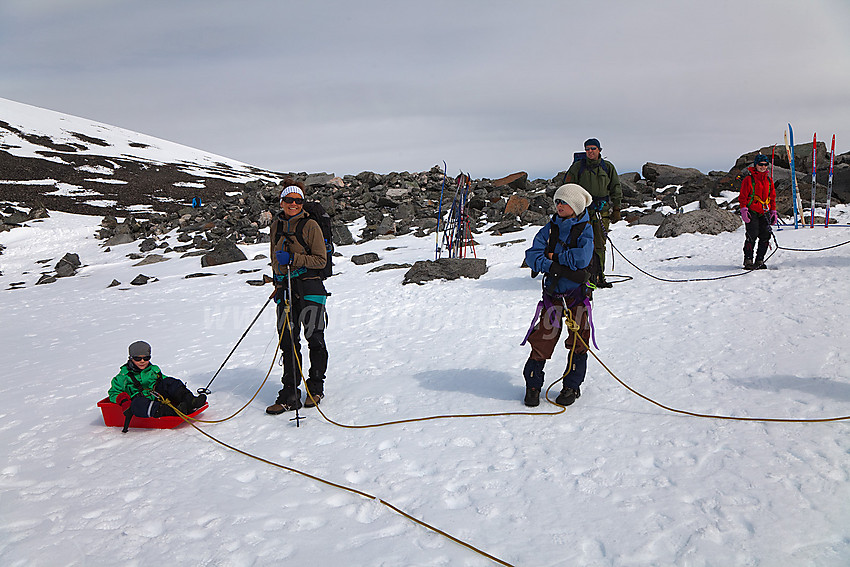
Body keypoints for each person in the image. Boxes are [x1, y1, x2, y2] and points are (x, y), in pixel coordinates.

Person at [521, 184, 595, 408]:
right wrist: (556, 264)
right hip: (553, 293)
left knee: (578, 340)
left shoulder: (585, 229)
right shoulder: (549, 228)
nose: (559, 205)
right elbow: (532, 256)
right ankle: (533, 385)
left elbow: (582, 259)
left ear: (576, 205)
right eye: (557, 201)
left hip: (577, 294)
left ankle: (572, 386)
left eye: (564, 202)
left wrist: (553, 258)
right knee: (543, 337)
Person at [266, 179, 329, 415]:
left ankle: (315, 388)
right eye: (289, 200)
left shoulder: (311, 225)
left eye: (298, 200)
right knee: (287, 341)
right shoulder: (276, 225)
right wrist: (278, 282)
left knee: (315, 338)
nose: (293, 204)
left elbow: (320, 260)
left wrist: (293, 260)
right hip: (286, 289)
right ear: (281, 201)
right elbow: (274, 257)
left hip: (311, 288)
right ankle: (290, 394)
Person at [563, 138, 622, 288]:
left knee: (599, 244)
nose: (590, 151)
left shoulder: (607, 167)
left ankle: (599, 276)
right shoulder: (577, 167)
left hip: (601, 212)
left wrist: (616, 209)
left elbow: (615, 187)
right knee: (581, 243)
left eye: (593, 149)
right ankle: (582, 276)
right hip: (581, 212)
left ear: (599, 150)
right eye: (587, 149)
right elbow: (567, 187)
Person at [108, 341, 206, 418]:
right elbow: (113, 393)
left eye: (146, 358)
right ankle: (173, 411)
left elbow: (165, 382)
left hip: (157, 397)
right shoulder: (123, 377)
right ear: (131, 358)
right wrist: (124, 400)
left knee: (169, 382)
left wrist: (174, 387)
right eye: (138, 359)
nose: (142, 361)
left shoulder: (154, 370)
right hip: (142, 404)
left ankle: (190, 401)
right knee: (138, 404)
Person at [739, 154, 778, 269]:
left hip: (765, 212)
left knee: (765, 235)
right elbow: (743, 197)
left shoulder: (769, 180)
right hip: (752, 211)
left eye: (765, 165)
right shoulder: (748, 180)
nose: (763, 167)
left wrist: (773, 211)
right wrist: (744, 210)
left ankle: (759, 260)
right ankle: (748, 260)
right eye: (760, 164)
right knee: (752, 235)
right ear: (756, 165)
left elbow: (772, 197)